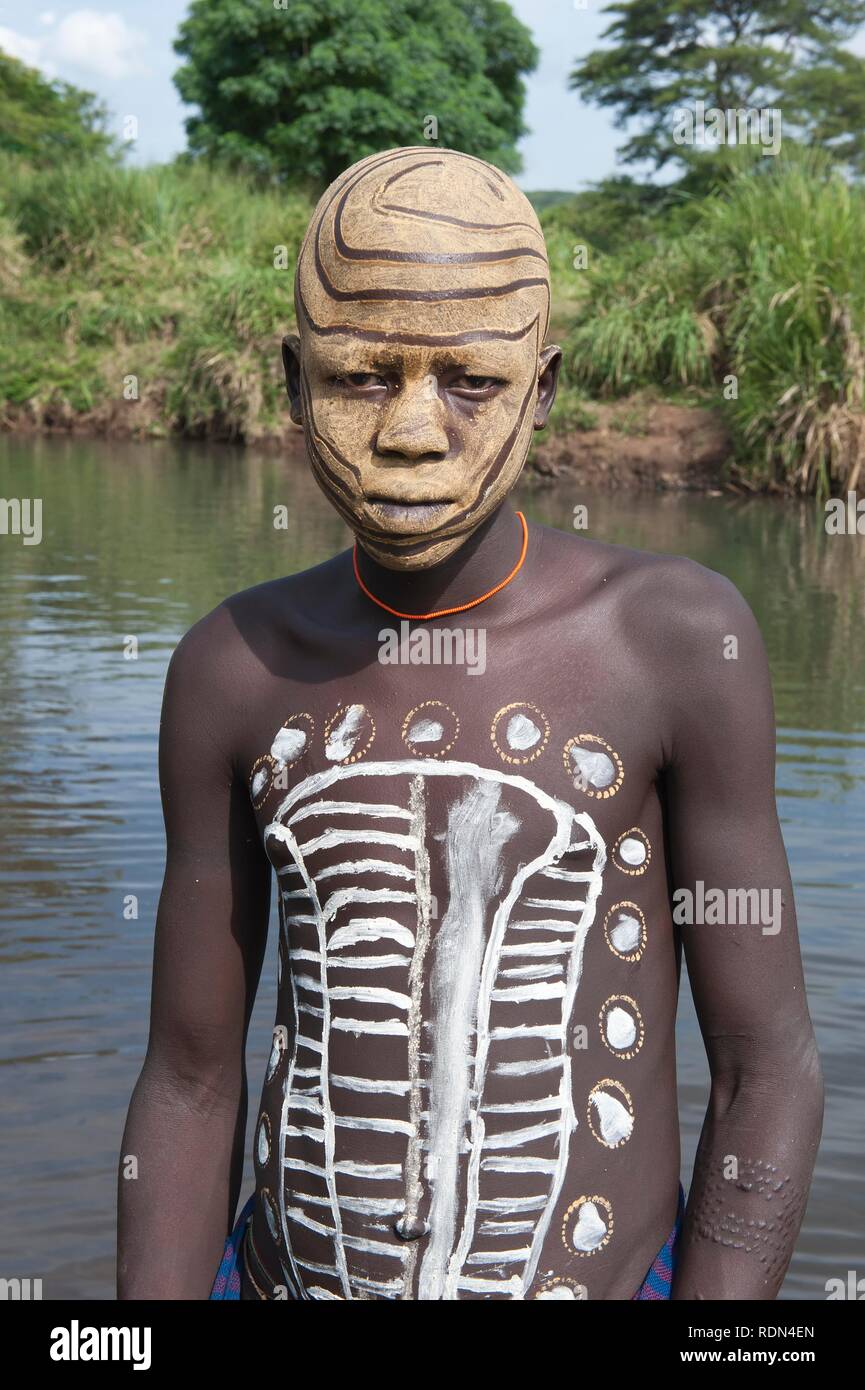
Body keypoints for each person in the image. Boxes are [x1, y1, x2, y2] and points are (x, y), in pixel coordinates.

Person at [117, 147, 823, 1301]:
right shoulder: (232, 668)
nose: (409, 431)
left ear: (542, 386)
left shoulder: (673, 640)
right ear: (292, 380)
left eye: (470, 382)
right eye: (358, 377)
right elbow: (191, 1077)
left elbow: (765, 1067)